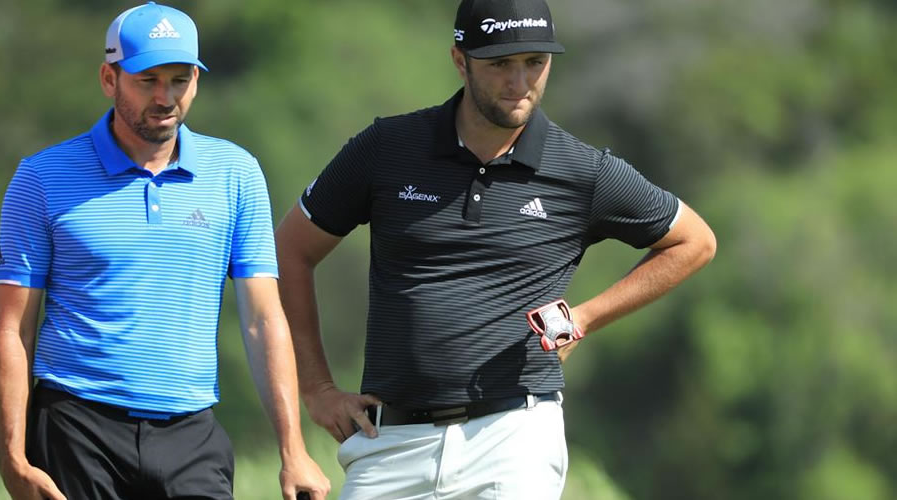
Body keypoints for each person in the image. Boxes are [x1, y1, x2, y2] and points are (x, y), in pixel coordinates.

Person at [274, 0, 717, 498]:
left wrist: (586, 318)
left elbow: (694, 242)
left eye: (535, 63)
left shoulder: (581, 169)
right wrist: (316, 388)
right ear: (460, 60)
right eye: (500, 64)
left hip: (514, 436)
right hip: (389, 439)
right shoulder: (388, 147)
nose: (520, 82)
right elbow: (291, 250)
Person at [0, 3, 330, 499]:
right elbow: (13, 329)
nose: (165, 97)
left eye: (180, 80)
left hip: (192, 430)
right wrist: (12, 459)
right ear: (109, 79)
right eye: (147, 79)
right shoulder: (40, 179)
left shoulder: (236, 174)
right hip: (75, 425)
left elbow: (262, 319)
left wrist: (293, 449)